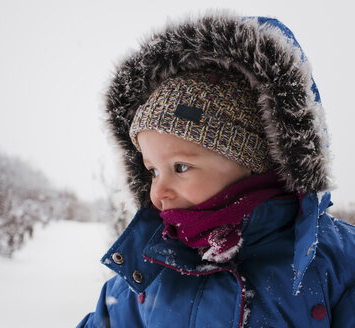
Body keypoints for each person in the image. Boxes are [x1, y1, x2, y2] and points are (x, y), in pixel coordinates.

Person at [77, 12, 355, 327]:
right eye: (152, 171)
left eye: (180, 167)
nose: (158, 191)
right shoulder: (150, 268)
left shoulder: (337, 261)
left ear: (252, 160)